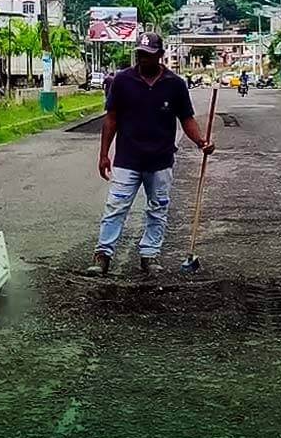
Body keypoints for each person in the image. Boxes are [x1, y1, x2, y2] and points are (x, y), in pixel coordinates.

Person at [86, 32, 215, 277]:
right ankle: (103, 254)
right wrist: (104, 154)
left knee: (158, 209)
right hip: (127, 159)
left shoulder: (174, 84)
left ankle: (149, 254)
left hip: (160, 160)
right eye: (140, 54)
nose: (143, 59)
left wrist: (201, 142)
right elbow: (111, 119)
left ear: (160, 56)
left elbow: (186, 118)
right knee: (115, 207)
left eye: (148, 55)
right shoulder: (122, 81)